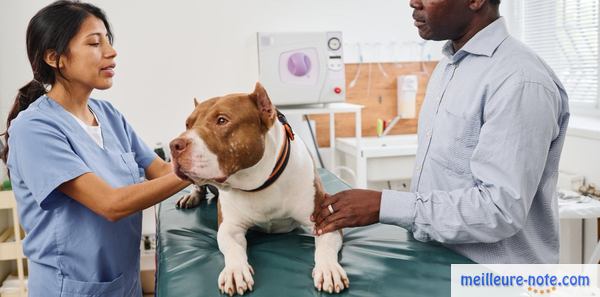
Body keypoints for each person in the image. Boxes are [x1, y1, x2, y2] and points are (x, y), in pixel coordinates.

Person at [313, 0, 570, 264]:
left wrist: (383, 205)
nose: (413, 2)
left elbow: (499, 210)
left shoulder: (520, 80)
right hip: (438, 263)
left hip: (496, 280)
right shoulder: (450, 65)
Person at [1, 1, 190, 296]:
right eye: (94, 43)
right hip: (71, 289)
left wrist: (207, 153)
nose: (111, 52)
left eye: (108, 42)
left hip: (124, 286)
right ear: (55, 57)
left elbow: (163, 171)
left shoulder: (109, 115)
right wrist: (198, 171)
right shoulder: (34, 129)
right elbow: (110, 204)